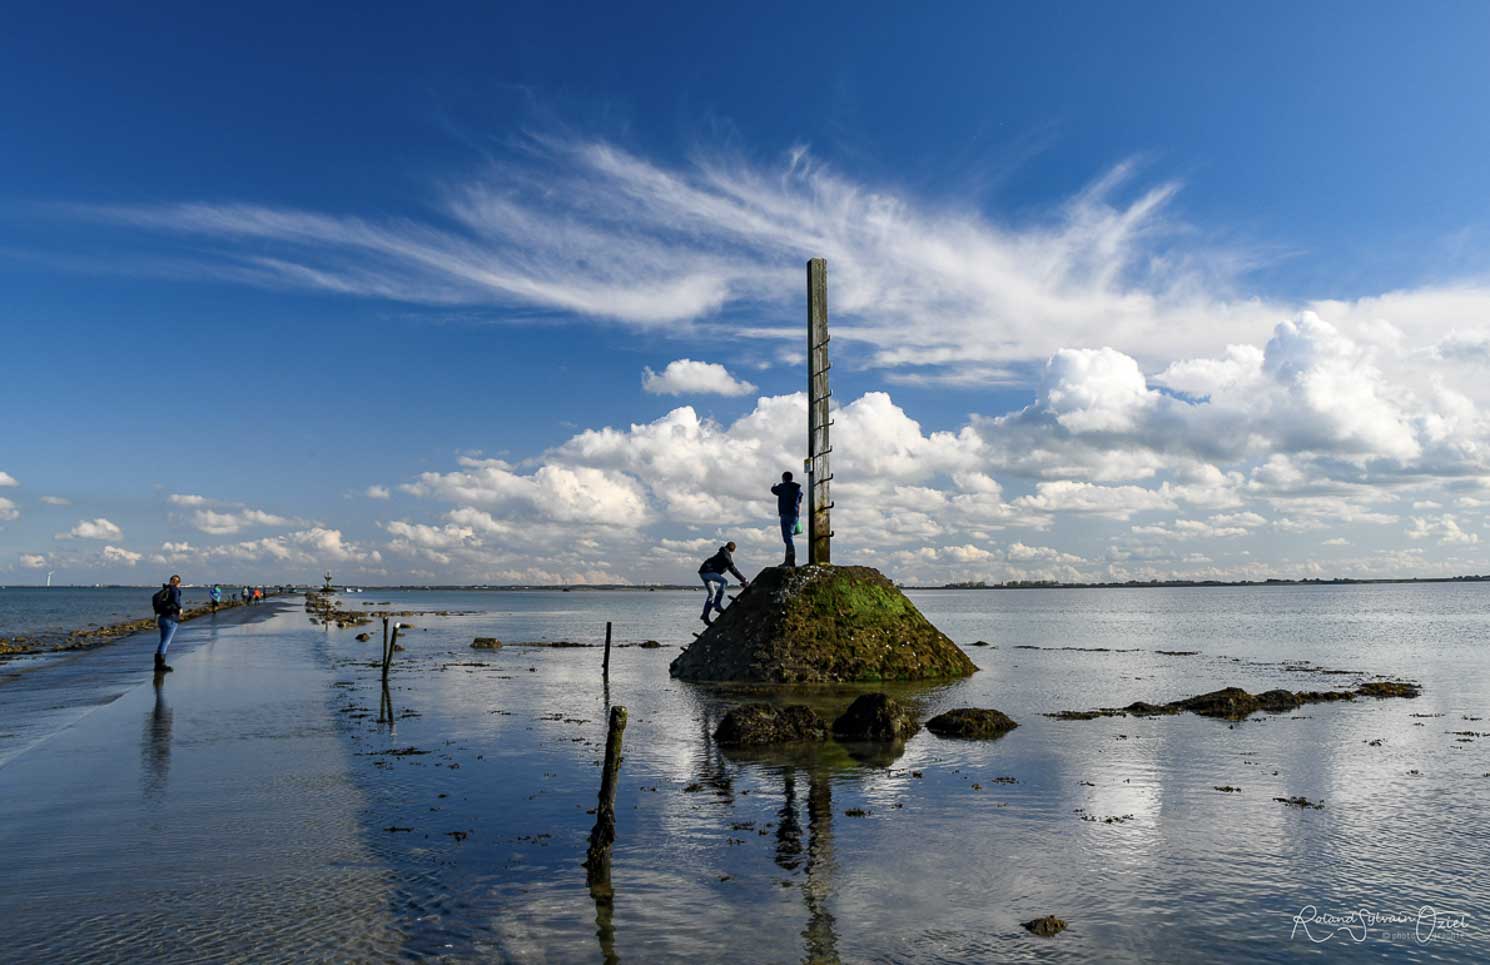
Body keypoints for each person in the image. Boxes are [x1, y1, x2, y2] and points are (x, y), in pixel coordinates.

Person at [698, 542, 748, 625]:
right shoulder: (726, 555)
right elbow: (733, 569)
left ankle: (705, 615)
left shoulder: (722, 553)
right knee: (724, 582)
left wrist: (742, 580)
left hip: (703, 573)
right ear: (733, 550)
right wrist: (744, 580)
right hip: (707, 572)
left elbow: (731, 568)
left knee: (712, 594)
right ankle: (717, 604)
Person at [771, 471, 804, 567]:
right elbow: (801, 496)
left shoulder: (783, 487)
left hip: (785, 515)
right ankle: (789, 560)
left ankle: (790, 561)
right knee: (789, 537)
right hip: (795, 515)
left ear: (784, 478)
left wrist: (773, 486)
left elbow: (774, 490)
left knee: (787, 538)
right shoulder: (797, 488)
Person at [152, 574, 183, 673]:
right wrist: (180, 608)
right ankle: (160, 665)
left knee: (163, 641)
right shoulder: (174, 590)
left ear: (170, 581)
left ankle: (158, 665)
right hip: (171, 619)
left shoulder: (165, 590)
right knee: (166, 642)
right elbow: (175, 600)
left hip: (162, 618)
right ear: (178, 583)